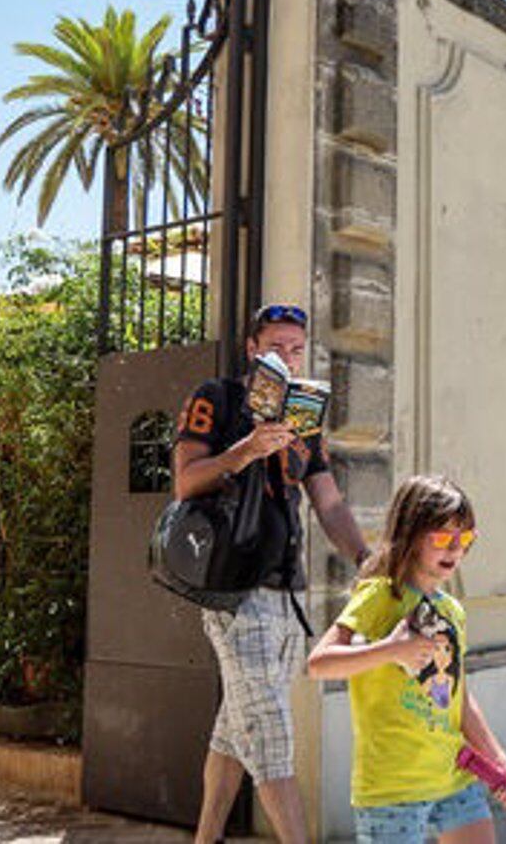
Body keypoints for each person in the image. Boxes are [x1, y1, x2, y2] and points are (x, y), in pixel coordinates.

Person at [173, 302, 371, 844]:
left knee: (236, 730)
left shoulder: (303, 415)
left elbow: (327, 501)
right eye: (276, 347)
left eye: (296, 349)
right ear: (252, 349)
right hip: (234, 591)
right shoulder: (216, 399)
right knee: (272, 739)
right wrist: (246, 450)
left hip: (286, 594)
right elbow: (186, 483)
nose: (287, 357)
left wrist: (363, 557)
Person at [306, 474, 506, 843]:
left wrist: (500, 761)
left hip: (455, 777)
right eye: (442, 537)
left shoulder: (452, 610)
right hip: (393, 789)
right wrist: (391, 650)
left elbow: (460, 699)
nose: (454, 549)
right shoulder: (379, 596)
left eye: (465, 539)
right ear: (410, 534)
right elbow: (318, 664)